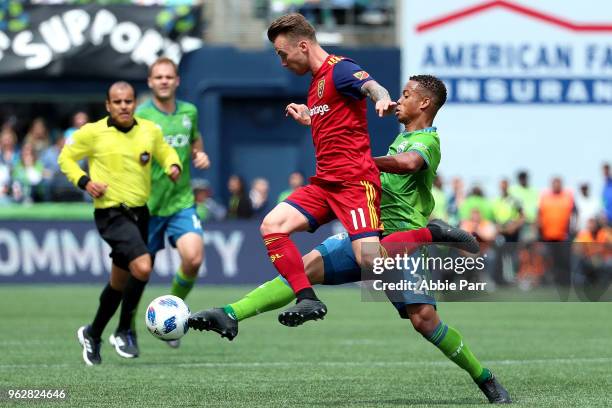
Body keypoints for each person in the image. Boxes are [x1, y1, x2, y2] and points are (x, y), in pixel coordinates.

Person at [190, 75, 510, 404]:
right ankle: (230, 313)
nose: (399, 100)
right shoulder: (401, 138)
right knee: (302, 269)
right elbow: (346, 139)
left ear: (424, 103)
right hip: (368, 231)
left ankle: (484, 377)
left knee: (424, 321)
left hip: (402, 243)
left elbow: (408, 164)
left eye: (406, 95)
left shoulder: (426, 141)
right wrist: (314, 121)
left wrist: (362, 163)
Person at [260, 14, 460, 326]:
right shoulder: (315, 87)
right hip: (326, 183)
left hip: (353, 184)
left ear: (302, 45)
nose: (282, 62)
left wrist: (381, 99)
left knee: (370, 261)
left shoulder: (340, 68)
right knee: (272, 225)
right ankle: (307, 298)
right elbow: (335, 126)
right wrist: (311, 117)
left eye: (282, 54)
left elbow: (372, 86)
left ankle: (429, 233)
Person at [58, 81, 181, 365]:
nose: (123, 106)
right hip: (111, 213)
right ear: (108, 105)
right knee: (143, 266)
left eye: (128, 101)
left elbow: (164, 151)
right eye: (117, 102)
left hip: (140, 214)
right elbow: (67, 158)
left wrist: (173, 165)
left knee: (119, 281)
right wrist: (85, 181)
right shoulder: (93, 132)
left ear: (135, 103)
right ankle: (125, 330)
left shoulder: (149, 130)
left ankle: (93, 333)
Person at [135, 57, 210, 348]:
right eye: (159, 77)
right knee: (138, 273)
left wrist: (199, 155)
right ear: (150, 82)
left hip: (181, 202)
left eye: (169, 76)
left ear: (177, 81)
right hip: (148, 205)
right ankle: (125, 327)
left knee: (193, 258)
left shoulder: (189, 111)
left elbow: (195, 142)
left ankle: (173, 314)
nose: (164, 81)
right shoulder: (141, 116)